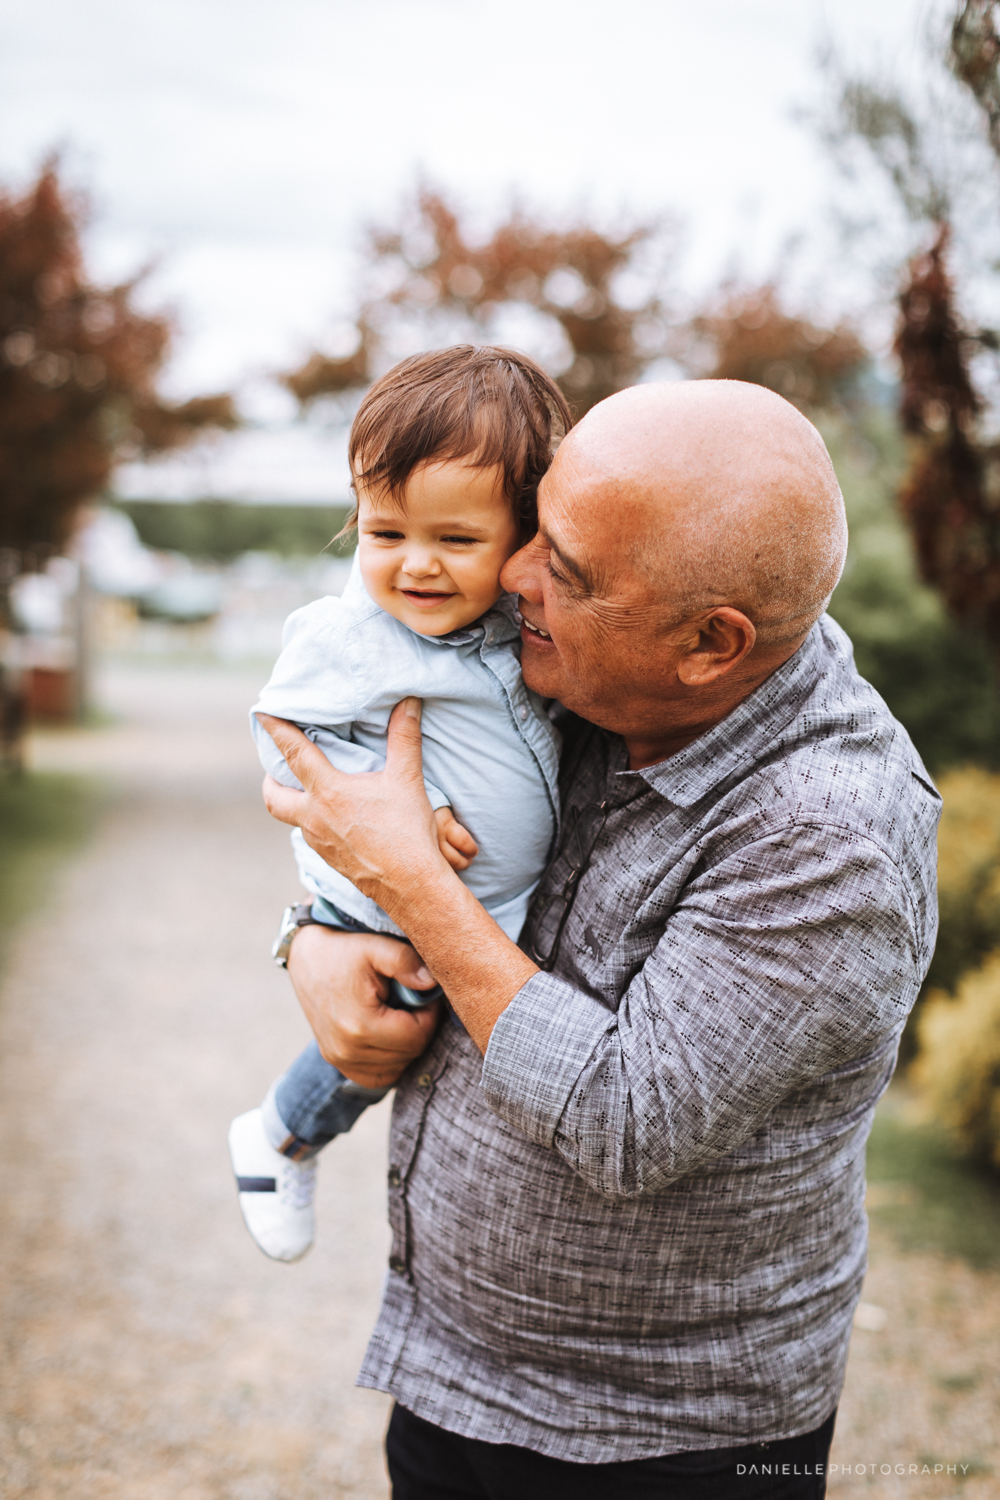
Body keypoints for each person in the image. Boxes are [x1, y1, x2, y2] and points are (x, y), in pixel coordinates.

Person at [258, 379, 941, 1499]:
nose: (512, 574)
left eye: (561, 569)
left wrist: (417, 889)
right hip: (451, 1380)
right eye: (531, 530)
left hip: (656, 1446)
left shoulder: (831, 837)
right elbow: (373, 815)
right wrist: (308, 940)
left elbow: (627, 1118)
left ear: (709, 645)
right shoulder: (585, 670)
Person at [228, 346, 571, 1262]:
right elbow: (278, 732)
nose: (415, 567)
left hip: (489, 908)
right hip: (388, 895)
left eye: (454, 541)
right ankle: (278, 1136)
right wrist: (400, 811)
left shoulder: (522, 628)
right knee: (392, 1025)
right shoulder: (350, 638)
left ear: (526, 535)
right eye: (385, 534)